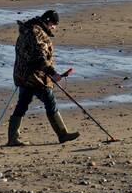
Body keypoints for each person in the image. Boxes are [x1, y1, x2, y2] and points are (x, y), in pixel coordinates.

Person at [7, 9, 80, 146]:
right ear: (47, 21)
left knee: (23, 104)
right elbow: (39, 56)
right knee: (49, 99)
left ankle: (12, 138)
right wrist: (52, 72)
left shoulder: (26, 30)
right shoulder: (37, 32)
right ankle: (62, 134)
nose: (54, 27)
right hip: (34, 76)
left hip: (22, 74)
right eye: (53, 24)